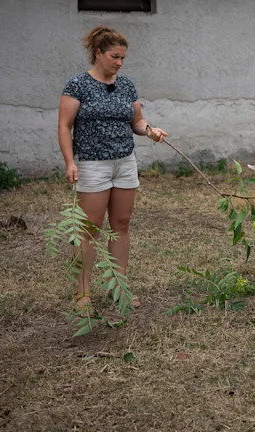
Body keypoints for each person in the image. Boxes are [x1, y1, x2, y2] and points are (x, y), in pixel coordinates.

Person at [58, 25, 167, 313]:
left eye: (122, 58)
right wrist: (70, 162)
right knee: (89, 230)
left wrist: (150, 131)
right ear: (98, 53)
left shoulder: (127, 85)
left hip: (124, 164)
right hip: (93, 164)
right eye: (114, 57)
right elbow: (64, 125)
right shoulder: (77, 85)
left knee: (121, 226)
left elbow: (137, 121)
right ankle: (82, 294)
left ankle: (120, 289)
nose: (119, 63)